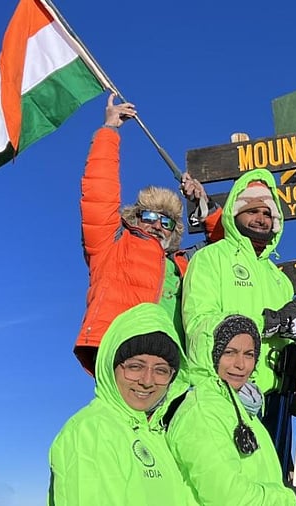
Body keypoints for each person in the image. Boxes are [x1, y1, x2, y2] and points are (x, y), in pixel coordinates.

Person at [74, 94, 215, 375]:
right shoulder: (112, 243)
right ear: (135, 217)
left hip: (176, 368)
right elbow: (99, 193)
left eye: (167, 221)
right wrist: (109, 131)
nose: (158, 225)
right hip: (123, 355)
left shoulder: (183, 263)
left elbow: (231, 248)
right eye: (150, 216)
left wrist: (204, 204)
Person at [181, 168, 296, 478]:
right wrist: (262, 324)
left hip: (276, 401)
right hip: (225, 394)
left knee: (274, 484)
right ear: (235, 213)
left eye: (267, 213)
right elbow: (198, 326)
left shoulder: (279, 279)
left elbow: (288, 336)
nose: (261, 218)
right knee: (231, 485)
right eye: (252, 210)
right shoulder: (210, 259)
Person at [49, 303, 197, 505]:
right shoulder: (92, 430)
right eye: (135, 367)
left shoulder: (160, 437)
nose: (147, 381)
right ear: (111, 366)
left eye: (161, 370)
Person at [165, 314, 296, 505]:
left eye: (249, 354)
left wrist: (281, 488)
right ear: (210, 355)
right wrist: (291, 499)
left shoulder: (243, 408)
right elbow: (228, 496)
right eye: (229, 352)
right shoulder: (202, 411)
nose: (240, 364)